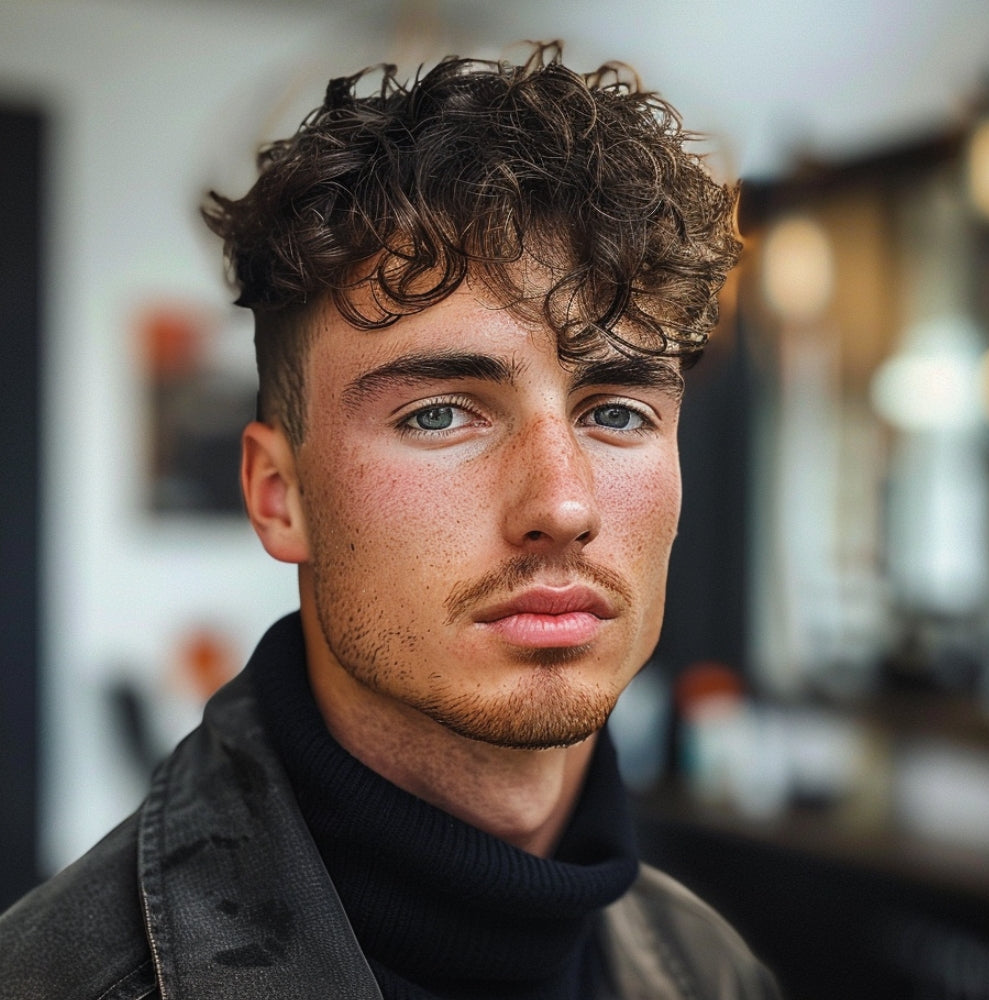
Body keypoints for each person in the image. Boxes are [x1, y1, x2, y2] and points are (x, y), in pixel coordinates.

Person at [0, 42, 780, 1000]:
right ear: (278, 496)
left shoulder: (712, 967)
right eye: (440, 413)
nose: (563, 505)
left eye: (616, 410)